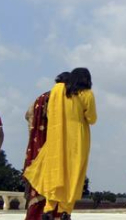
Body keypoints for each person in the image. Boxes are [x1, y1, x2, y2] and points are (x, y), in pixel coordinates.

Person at [24, 68, 97, 220]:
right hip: (77, 139)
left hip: (56, 137)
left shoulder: (57, 90)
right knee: (73, 174)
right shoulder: (86, 93)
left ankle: (48, 208)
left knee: (54, 171)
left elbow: (49, 111)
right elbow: (92, 118)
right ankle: (65, 210)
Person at [23, 72, 70, 220]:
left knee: (37, 193)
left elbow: (28, 115)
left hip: (38, 153)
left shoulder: (40, 98)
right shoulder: (63, 98)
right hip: (55, 154)